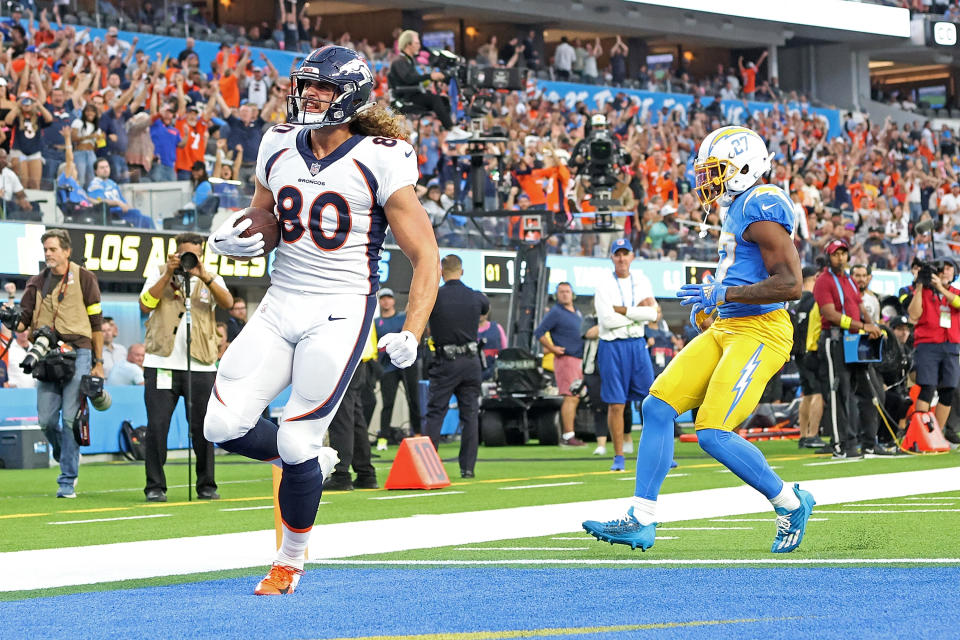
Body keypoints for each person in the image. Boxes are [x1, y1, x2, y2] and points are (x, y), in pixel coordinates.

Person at [201, 46, 439, 596]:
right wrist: (238, 234)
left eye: (323, 87)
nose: (310, 95)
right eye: (305, 84)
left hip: (340, 307)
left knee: (295, 438)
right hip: (281, 298)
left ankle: (289, 561)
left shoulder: (384, 155)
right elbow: (267, 217)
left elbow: (425, 253)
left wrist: (412, 329)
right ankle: (314, 457)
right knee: (221, 426)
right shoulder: (278, 140)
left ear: (351, 94)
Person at [583, 126, 815, 554]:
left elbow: (790, 285)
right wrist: (716, 303)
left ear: (745, 167)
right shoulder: (737, 206)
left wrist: (724, 294)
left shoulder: (762, 204)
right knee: (657, 406)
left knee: (712, 431)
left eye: (717, 170)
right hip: (730, 325)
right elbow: (746, 272)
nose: (707, 180)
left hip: (763, 329)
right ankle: (641, 518)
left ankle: (789, 503)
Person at [139, 232, 233, 503]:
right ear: (175, 254)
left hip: (201, 364)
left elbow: (227, 303)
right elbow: (145, 304)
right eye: (183, 255)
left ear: (201, 255)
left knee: (204, 429)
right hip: (161, 363)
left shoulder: (211, 277)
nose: (188, 260)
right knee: (157, 428)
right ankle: (155, 487)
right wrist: (167, 274)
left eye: (194, 255)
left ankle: (206, 486)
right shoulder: (160, 273)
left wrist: (204, 275)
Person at [13, 229, 104, 498]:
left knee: (69, 421)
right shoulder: (35, 282)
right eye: (45, 250)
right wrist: (9, 318)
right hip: (46, 353)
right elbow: (22, 321)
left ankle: (66, 480)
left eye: (53, 249)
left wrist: (98, 362)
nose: (48, 254)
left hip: (79, 351)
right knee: (46, 421)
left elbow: (97, 324)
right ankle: (65, 453)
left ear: (66, 251)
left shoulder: (86, 278)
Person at [814, 239, 884, 459]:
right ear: (829, 256)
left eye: (844, 253)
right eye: (836, 254)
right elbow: (830, 314)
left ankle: (867, 442)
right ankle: (840, 445)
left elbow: (861, 306)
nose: (841, 257)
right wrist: (864, 326)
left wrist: (872, 326)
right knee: (840, 393)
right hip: (835, 340)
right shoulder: (824, 281)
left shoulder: (850, 281)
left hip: (856, 340)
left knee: (867, 391)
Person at [592, 238, 657, 471]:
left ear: (632, 256)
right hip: (613, 346)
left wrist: (624, 310)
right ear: (612, 257)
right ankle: (619, 457)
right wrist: (636, 314)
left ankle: (659, 454)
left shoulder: (642, 280)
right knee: (616, 404)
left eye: (625, 253)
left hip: (637, 344)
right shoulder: (603, 285)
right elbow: (607, 321)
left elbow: (653, 314)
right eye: (617, 254)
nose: (621, 258)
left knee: (652, 401)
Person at [423, 254, 487, 478]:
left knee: (436, 413)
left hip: (445, 362)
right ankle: (468, 468)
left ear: (441, 272)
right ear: (461, 271)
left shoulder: (435, 296)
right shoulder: (476, 297)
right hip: (471, 362)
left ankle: (428, 468)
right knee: (470, 414)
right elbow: (484, 310)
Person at [908, 258, 960, 438]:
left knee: (948, 390)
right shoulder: (924, 293)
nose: (945, 272)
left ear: (955, 273)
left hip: (951, 346)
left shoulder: (955, 293)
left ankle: (935, 434)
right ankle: (920, 434)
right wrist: (921, 286)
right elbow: (913, 315)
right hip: (927, 345)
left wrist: (941, 289)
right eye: (942, 269)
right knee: (927, 387)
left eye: (949, 269)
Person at [324, 325, 380, 491]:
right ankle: (365, 473)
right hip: (359, 354)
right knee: (355, 415)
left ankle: (341, 475)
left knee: (342, 417)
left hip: (344, 354)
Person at [387, 30, 468, 139]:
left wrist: (432, 79)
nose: (419, 46)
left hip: (412, 95)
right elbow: (409, 79)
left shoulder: (409, 60)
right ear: (408, 45)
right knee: (434, 99)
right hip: (403, 99)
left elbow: (415, 80)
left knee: (443, 100)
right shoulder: (399, 61)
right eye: (417, 43)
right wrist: (430, 76)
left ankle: (449, 130)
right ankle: (451, 129)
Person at [534, 282, 585, 446]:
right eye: (561, 292)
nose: (564, 294)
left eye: (567, 292)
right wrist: (552, 348)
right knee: (570, 397)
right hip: (566, 359)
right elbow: (539, 332)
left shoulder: (576, 312)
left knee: (575, 397)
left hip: (577, 359)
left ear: (572, 294)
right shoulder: (556, 312)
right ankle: (568, 436)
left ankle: (571, 434)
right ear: (557, 295)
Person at [374, 288, 421, 448]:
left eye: (389, 298)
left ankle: (418, 434)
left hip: (408, 366)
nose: (386, 301)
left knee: (413, 400)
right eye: (383, 298)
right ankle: (383, 438)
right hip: (388, 368)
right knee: (387, 404)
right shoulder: (376, 323)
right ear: (380, 302)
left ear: (393, 300)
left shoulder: (403, 318)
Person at [792, 267, 826, 450]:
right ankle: (813, 435)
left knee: (807, 394)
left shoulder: (795, 301)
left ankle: (803, 435)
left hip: (797, 353)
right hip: (812, 353)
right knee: (817, 394)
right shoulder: (815, 300)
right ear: (815, 277)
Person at [87, 158, 155, 228]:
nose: (105, 170)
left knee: (147, 220)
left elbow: (123, 202)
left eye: (107, 167)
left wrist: (128, 207)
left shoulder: (112, 183)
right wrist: (117, 203)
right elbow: (100, 202)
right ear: (96, 171)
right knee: (137, 216)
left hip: (123, 212)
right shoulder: (95, 185)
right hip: (112, 214)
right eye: (102, 168)